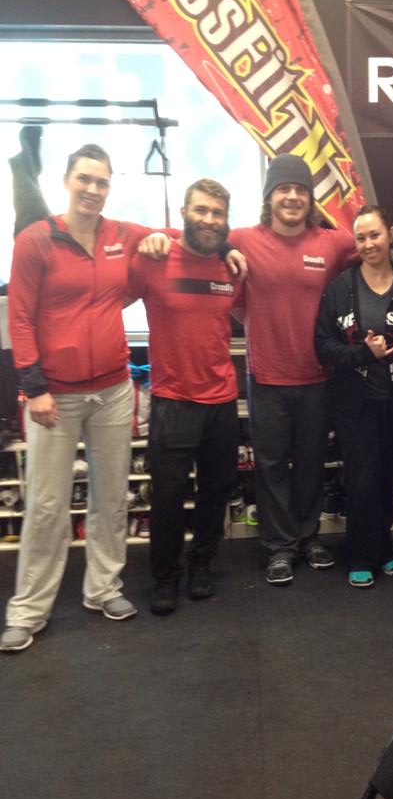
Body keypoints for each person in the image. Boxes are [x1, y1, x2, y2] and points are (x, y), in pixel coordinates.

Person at [227, 153, 393, 586]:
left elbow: (380, 249)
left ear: (310, 198)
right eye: (283, 189)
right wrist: (170, 240)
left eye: (300, 189)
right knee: (271, 467)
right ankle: (279, 547)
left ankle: (308, 537)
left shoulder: (332, 242)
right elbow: (200, 239)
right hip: (265, 376)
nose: (292, 197)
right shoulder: (243, 237)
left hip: (318, 377)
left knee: (312, 465)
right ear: (269, 196)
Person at [0, 143, 155, 652]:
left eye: (102, 181)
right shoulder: (35, 240)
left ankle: (103, 588)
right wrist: (34, 388)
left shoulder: (119, 235)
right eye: (84, 179)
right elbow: (20, 319)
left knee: (112, 495)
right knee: (46, 505)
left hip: (112, 389)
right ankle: (28, 610)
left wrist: (219, 249)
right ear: (67, 180)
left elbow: (178, 237)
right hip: (55, 397)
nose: (92, 189)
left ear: (110, 187)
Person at [128, 179, 244, 615]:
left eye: (217, 213)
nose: (209, 219)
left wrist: (228, 247)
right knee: (168, 497)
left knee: (216, 490)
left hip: (221, 400)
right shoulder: (154, 260)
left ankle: (201, 565)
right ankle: (165, 577)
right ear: (183, 213)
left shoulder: (231, 267)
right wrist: (157, 234)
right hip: (173, 400)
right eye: (201, 210)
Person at [314, 205, 393, 587]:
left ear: (391, 234)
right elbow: (323, 347)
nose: (368, 244)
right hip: (355, 404)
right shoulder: (340, 289)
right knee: (362, 480)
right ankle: (360, 555)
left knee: (387, 478)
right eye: (361, 237)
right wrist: (365, 354)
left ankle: (384, 548)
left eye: (375, 235)